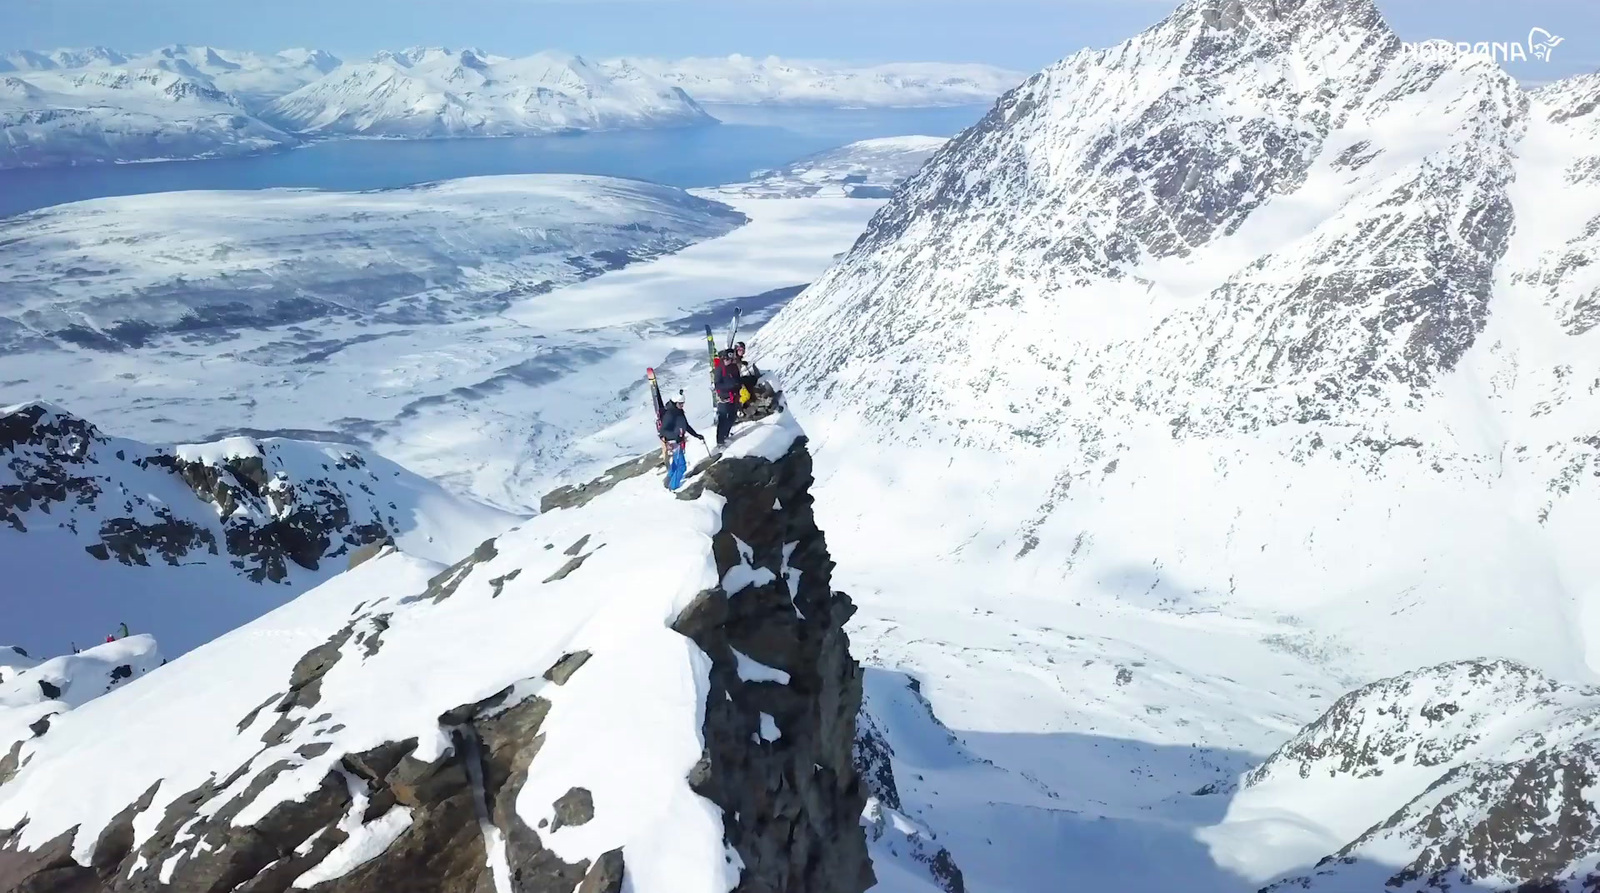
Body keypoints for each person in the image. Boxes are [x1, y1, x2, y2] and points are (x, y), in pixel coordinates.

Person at [658, 391, 704, 489]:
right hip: (674, 442)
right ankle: (673, 487)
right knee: (682, 466)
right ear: (675, 403)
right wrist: (675, 437)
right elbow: (663, 431)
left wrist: (696, 435)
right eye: (680, 404)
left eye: (683, 403)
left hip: (678, 441)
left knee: (676, 463)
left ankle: (668, 480)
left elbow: (685, 426)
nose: (682, 405)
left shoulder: (679, 412)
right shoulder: (670, 414)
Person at [713, 349, 743, 447]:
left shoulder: (733, 367)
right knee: (722, 419)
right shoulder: (719, 369)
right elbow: (717, 385)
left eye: (730, 359)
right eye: (726, 359)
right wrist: (730, 385)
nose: (728, 361)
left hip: (733, 397)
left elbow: (738, 379)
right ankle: (720, 441)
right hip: (723, 398)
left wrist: (738, 385)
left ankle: (725, 435)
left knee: (732, 417)